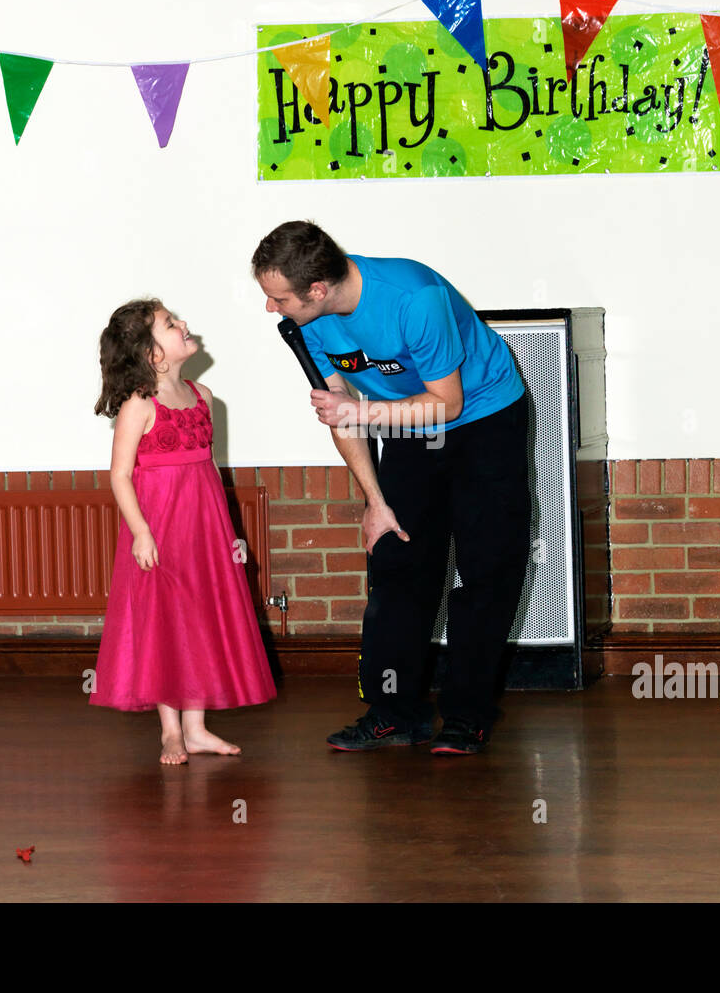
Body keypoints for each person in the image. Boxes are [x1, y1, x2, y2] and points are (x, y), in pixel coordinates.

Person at [252, 221, 533, 756]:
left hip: (481, 416)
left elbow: (445, 404)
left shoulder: (413, 299)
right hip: (404, 423)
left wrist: (362, 410)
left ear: (316, 289)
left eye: (278, 298)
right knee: (397, 565)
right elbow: (338, 412)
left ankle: (466, 716)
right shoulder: (307, 321)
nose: (272, 309)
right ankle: (393, 712)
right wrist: (376, 503)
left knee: (486, 569)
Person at [91, 298, 276, 764]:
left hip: (204, 525)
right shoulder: (139, 404)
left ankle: (196, 729)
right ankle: (170, 730)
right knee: (164, 620)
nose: (185, 324)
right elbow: (119, 474)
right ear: (153, 355)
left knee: (199, 616)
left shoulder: (204, 397)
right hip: (160, 526)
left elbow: (211, 467)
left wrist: (229, 530)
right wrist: (141, 533)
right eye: (172, 324)